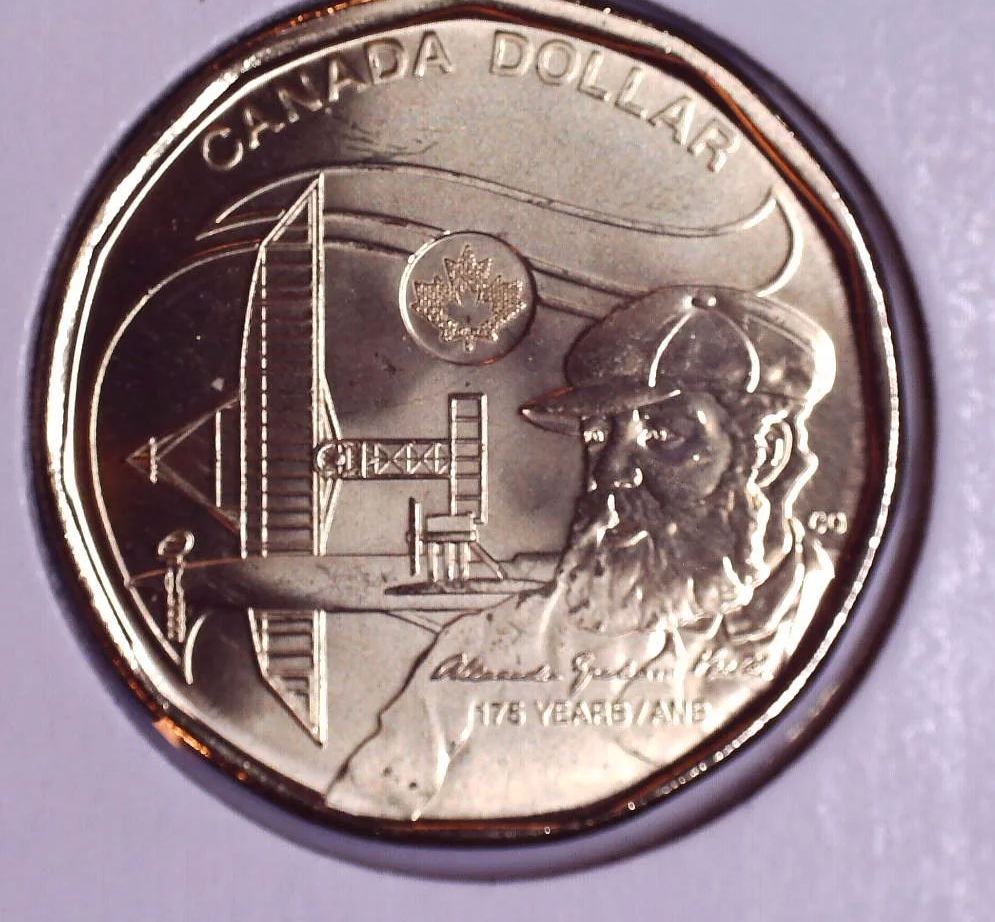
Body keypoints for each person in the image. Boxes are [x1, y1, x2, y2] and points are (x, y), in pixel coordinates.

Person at [326, 286, 838, 820]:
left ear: (767, 455)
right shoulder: (484, 653)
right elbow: (363, 821)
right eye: (597, 434)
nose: (611, 471)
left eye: (665, 434)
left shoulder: (831, 633)